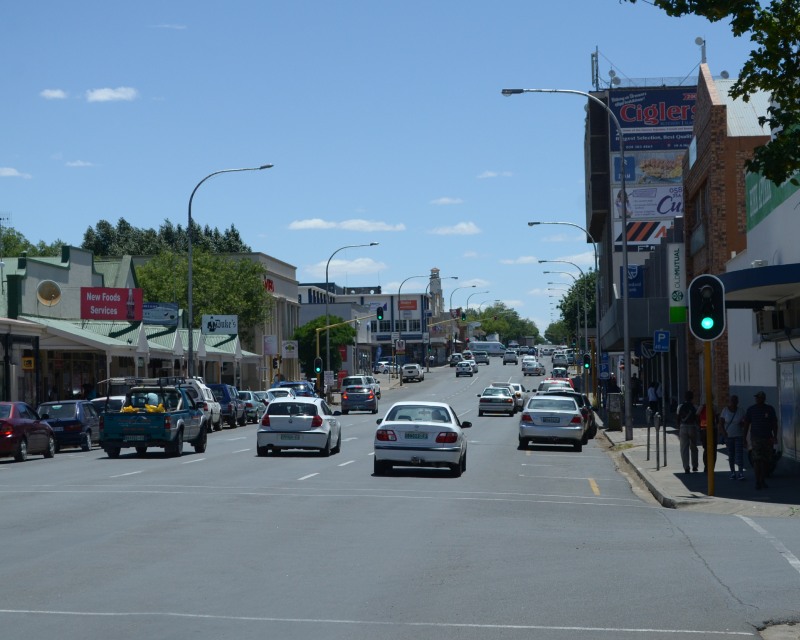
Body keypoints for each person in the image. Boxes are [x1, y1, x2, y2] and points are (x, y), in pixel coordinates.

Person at [743, 391, 778, 490]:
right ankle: (758, 481)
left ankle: (762, 479)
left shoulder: (769, 409)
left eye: (759, 398)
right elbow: (746, 424)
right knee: (757, 460)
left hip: (767, 438)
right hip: (756, 438)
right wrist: (744, 438)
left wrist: (775, 436)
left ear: (763, 399)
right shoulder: (751, 409)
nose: (757, 399)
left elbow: (774, 423)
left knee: (765, 460)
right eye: (757, 398)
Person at [719, 394, 746, 480]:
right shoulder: (725, 410)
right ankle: (733, 472)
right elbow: (721, 423)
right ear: (729, 401)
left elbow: (744, 422)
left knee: (739, 455)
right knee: (731, 455)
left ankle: (740, 472)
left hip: (739, 435)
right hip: (728, 436)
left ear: (737, 402)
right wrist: (724, 433)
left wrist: (742, 424)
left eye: (735, 401)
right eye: (732, 400)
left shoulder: (741, 410)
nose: (733, 402)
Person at [677, 390, 699, 473]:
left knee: (684, 448)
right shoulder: (695, 407)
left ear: (685, 397)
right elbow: (697, 418)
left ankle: (686, 467)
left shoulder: (680, 406)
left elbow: (678, 418)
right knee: (694, 447)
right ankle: (695, 466)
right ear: (692, 398)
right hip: (692, 427)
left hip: (683, 427)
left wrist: (679, 428)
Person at [697, 398, 718, 473]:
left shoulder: (701, 407)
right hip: (712, 429)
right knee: (713, 449)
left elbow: (697, 416)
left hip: (704, 429)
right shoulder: (714, 407)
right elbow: (717, 419)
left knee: (706, 449)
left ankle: (706, 466)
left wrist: (700, 427)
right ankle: (712, 467)